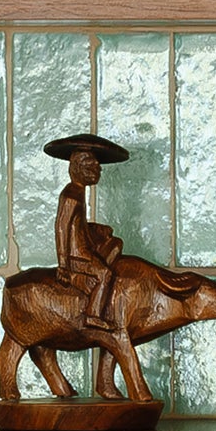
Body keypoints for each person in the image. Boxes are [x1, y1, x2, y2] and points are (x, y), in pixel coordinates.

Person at [45, 133, 132, 345]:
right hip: (77, 255)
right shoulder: (70, 195)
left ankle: (89, 283)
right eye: (91, 167)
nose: (98, 170)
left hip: (84, 247)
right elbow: (62, 227)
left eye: (97, 167)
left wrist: (96, 229)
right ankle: (92, 314)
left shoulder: (78, 191)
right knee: (105, 274)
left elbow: (77, 224)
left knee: (116, 244)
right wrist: (63, 265)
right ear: (78, 168)